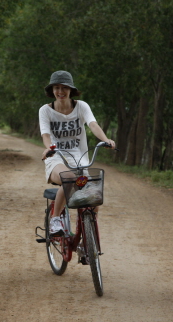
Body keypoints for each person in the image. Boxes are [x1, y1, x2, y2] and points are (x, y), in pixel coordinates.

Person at [39, 70, 115, 236]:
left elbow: (92, 124)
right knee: (70, 179)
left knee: (94, 198)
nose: (60, 91)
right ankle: (55, 220)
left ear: (71, 90)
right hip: (56, 158)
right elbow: (45, 134)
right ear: (52, 90)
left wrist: (106, 140)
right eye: (57, 87)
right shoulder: (45, 110)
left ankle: (87, 239)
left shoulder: (81, 106)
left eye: (64, 87)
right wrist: (48, 148)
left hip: (80, 159)